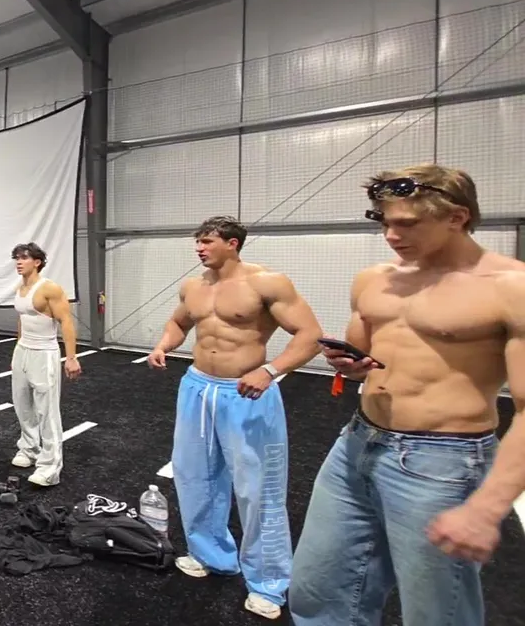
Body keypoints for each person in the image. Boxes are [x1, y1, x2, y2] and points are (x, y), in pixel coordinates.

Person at [289, 165, 525, 626]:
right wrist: (351, 364)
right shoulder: (374, 279)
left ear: (457, 217)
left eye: (407, 224)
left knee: (437, 615)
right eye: (385, 222)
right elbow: (364, 354)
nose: (391, 236)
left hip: (442, 462)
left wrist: (486, 509)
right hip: (356, 444)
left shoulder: (511, 288)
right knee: (319, 592)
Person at [148, 215, 324, 620]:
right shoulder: (193, 286)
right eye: (197, 241)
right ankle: (211, 555)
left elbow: (310, 335)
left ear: (233, 243)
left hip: (246, 393)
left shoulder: (267, 283)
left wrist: (271, 370)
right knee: (195, 476)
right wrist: (163, 344)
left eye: (207, 241)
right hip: (197, 388)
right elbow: (179, 322)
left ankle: (268, 583)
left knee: (259, 489)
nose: (199, 248)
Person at [8, 242, 82, 487]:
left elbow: (66, 321)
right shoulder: (21, 288)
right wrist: (18, 350)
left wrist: (71, 357)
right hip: (23, 351)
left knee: (46, 411)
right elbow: (22, 319)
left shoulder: (50, 288)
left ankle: (50, 468)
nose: (19, 262)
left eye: (24, 258)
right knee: (22, 405)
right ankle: (29, 449)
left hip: (45, 352)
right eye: (17, 258)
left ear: (37, 262)